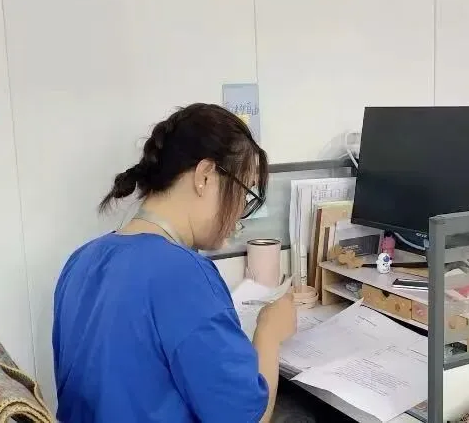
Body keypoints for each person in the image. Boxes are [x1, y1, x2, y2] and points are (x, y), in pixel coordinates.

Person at [52, 103, 297, 423]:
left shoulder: (80, 261)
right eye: (243, 193)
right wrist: (269, 331)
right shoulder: (182, 275)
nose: (240, 212)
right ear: (205, 176)